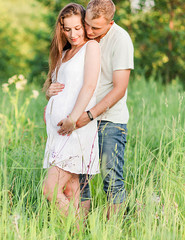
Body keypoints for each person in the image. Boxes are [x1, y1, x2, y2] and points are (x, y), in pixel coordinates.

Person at [46, 0, 134, 219]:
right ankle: (81, 229)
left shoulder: (120, 40)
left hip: (108, 119)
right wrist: (50, 91)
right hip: (80, 121)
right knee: (80, 182)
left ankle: (112, 229)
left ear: (110, 23)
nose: (88, 31)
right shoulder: (78, 40)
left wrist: (88, 115)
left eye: (96, 28)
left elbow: (119, 88)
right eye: (87, 25)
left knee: (111, 178)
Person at [42, 3, 101, 218]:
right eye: (67, 29)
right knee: (71, 189)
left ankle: (75, 228)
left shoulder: (91, 47)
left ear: (84, 25)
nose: (73, 34)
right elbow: (59, 88)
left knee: (50, 189)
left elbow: (89, 86)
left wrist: (73, 119)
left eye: (77, 28)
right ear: (61, 28)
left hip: (74, 130)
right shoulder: (64, 53)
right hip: (58, 134)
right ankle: (77, 232)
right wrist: (49, 93)